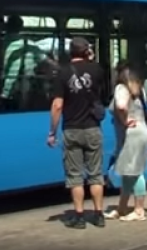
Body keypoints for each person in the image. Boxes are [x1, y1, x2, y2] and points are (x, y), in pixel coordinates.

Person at [47, 37, 107, 229]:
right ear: (87, 51)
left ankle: (79, 217)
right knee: (96, 174)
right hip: (93, 127)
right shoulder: (97, 69)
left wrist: (52, 132)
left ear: (70, 52)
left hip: (72, 129)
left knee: (75, 176)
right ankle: (99, 215)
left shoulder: (62, 73)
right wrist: (91, 58)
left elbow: (57, 105)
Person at [106, 63, 147, 222]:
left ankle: (139, 211)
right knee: (128, 173)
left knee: (135, 173)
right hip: (142, 131)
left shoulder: (121, 88)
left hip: (132, 134)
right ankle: (122, 208)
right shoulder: (140, 90)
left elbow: (120, 106)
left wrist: (124, 120)